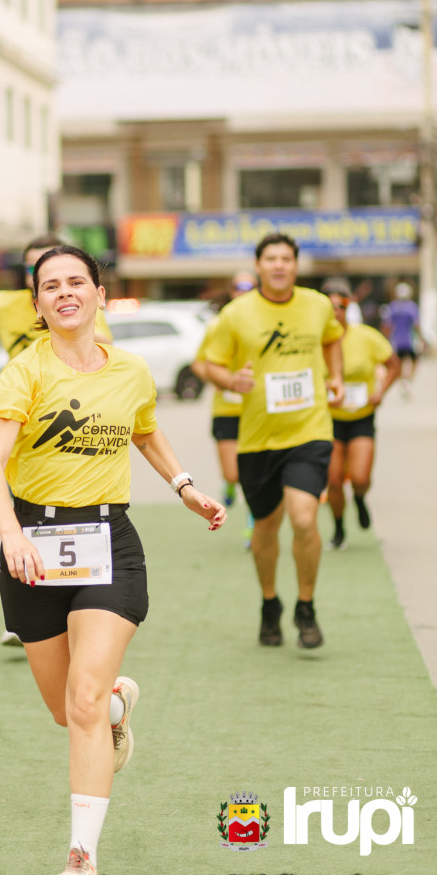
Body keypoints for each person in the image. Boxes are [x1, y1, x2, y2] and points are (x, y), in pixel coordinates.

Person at [0, 245, 226, 875]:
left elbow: (144, 429)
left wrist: (184, 485)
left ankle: (82, 856)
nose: (65, 292)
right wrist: (11, 535)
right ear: (37, 305)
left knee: (82, 699)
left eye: (76, 282)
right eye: (50, 285)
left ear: (99, 295)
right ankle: (118, 706)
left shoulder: (132, 371)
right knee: (68, 710)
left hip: (109, 543)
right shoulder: (24, 372)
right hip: (34, 545)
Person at [0, 234, 112, 645]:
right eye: (38, 269)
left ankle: (83, 604)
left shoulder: (78, 308)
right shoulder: (3, 305)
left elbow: (103, 352)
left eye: (71, 279)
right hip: (17, 411)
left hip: (66, 416)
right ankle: (31, 596)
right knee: (19, 501)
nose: (60, 288)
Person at [206, 232, 344, 650]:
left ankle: (306, 605)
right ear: (258, 265)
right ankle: (270, 603)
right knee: (266, 525)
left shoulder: (318, 305)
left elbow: (333, 338)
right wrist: (232, 380)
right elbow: (210, 363)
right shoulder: (236, 313)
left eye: (287, 258)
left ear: (296, 265)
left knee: (303, 518)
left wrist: (336, 376)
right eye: (271, 259)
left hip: (310, 430)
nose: (279, 265)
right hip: (258, 439)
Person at [322, 278, 400, 550]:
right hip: (329, 421)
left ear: (349, 307)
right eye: (330, 306)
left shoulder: (366, 336)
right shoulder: (316, 342)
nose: (336, 311)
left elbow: (393, 364)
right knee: (333, 480)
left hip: (361, 418)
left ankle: (359, 498)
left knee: (360, 478)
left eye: (342, 305)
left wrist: (381, 392)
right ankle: (339, 528)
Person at [0, 234, 112, 364]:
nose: (41, 275)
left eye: (53, 268)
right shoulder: (2, 304)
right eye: (32, 269)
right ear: (38, 306)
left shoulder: (78, 307)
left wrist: (73, 328)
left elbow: (105, 346)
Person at [192, 270, 257, 516]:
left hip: (258, 410)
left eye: (250, 288)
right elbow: (199, 364)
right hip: (227, 409)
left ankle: (255, 520)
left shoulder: (266, 323)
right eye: (239, 287)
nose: (244, 292)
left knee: (255, 472)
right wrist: (220, 380)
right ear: (232, 292)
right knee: (233, 473)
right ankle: (229, 484)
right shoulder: (219, 324)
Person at [381, 282, 422, 397]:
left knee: (398, 363)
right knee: (413, 361)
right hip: (409, 342)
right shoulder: (412, 307)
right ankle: (408, 380)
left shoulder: (392, 307)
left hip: (396, 342)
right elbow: (416, 325)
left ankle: (402, 381)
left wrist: (385, 339)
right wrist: (421, 337)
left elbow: (387, 325)